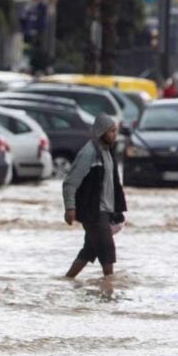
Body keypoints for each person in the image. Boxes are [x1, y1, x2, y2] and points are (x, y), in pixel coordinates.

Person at [62, 113, 127, 281]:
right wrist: (70, 208)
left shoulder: (107, 152)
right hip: (94, 211)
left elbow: (112, 184)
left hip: (105, 211)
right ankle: (109, 289)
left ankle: (67, 280)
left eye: (116, 130)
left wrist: (116, 210)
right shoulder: (88, 153)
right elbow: (70, 183)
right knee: (107, 250)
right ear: (101, 132)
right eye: (111, 131)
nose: (115, 134)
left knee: (89, 250)